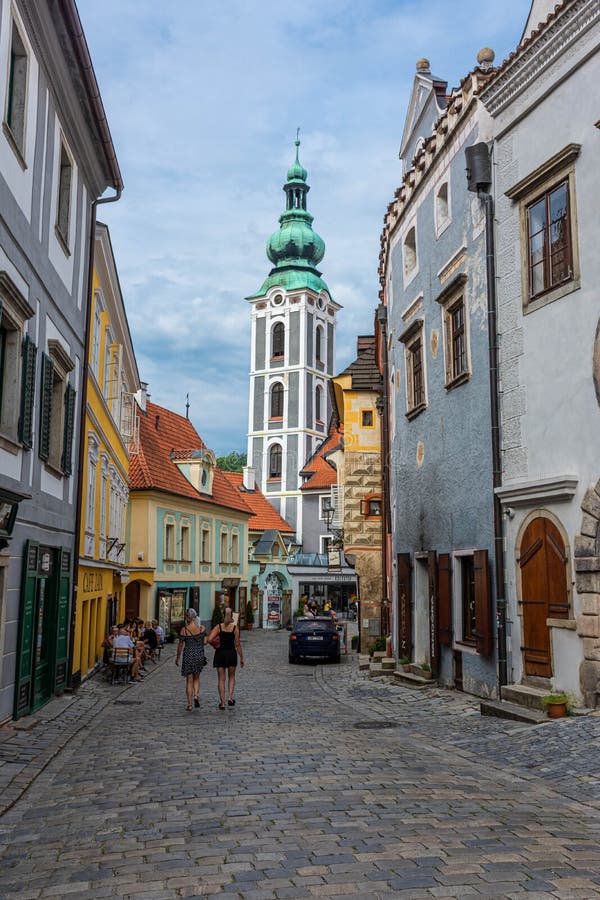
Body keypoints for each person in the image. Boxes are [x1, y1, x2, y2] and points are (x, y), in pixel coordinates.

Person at [206, 607, 244, 709]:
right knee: (231, 677)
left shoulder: (219, 627)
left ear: (223, 615)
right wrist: (241, 657)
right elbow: (238, 644)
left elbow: (209, 639)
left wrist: (215, 645)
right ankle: (230, 698)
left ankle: (222, 703)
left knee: (221, 680)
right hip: (231, 653)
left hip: (220, 654)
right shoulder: (235, 628)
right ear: (232, 616)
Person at [175, 609, 207, 710]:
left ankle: (189, 704)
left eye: (186, 616)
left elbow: (180, 645)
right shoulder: (202, 628)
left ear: (189, 617)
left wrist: (178, 657)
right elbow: (205, 642)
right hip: (199, 654)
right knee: (196, 677)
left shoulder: (184, 630)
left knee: (189, 680)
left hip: (188, 654)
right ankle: (196, 696)